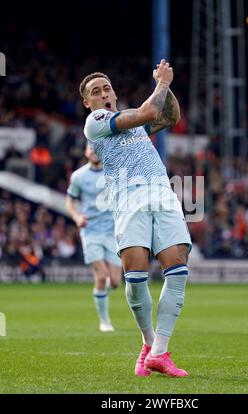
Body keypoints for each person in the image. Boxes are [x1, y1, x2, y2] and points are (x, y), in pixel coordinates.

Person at [80, 59, 192, 377]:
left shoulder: (132, 124)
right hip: (129, 197)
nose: (103, 93)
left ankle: (159, 353)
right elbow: (146, 112)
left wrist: (164, 86)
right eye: (95, 92)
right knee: (136, 273)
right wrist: (162, 83)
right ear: (88, 103)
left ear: (114, 93)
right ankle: (148, 341)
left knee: (177, 268)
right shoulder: (97, 122)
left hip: (161, 192)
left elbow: (170, 116)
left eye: (107, 88)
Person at [65, 145, 122, 332]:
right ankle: (104, 321)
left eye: (95, 147)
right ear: (85, 152)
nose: (93, 151)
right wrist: (77, 217)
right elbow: (70, 200)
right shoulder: (78, 176)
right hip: (90, 232)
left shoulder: (113, 172)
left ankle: (102, 289)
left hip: (112, 232)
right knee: (101, 276)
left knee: (115, 281)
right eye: (90, 148)